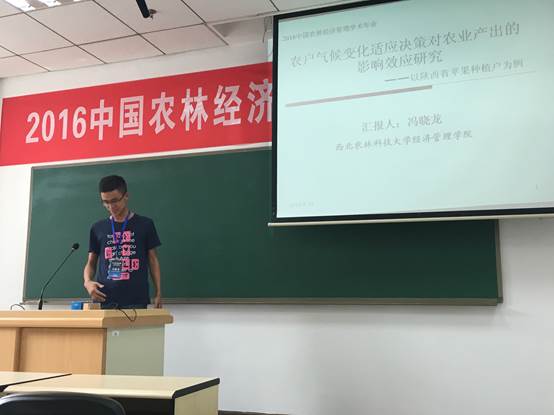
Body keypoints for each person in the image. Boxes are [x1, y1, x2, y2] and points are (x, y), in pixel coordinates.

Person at [83, 175, 162, 309]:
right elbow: (91, 262)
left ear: (126, 196)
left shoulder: (145, 224)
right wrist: (87, 282)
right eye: (105, 202)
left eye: (114, 201)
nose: (111, 206)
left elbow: (153, 260)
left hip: (136, 298)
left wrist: (158, 291)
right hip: (104, 297)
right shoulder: (97, 228)